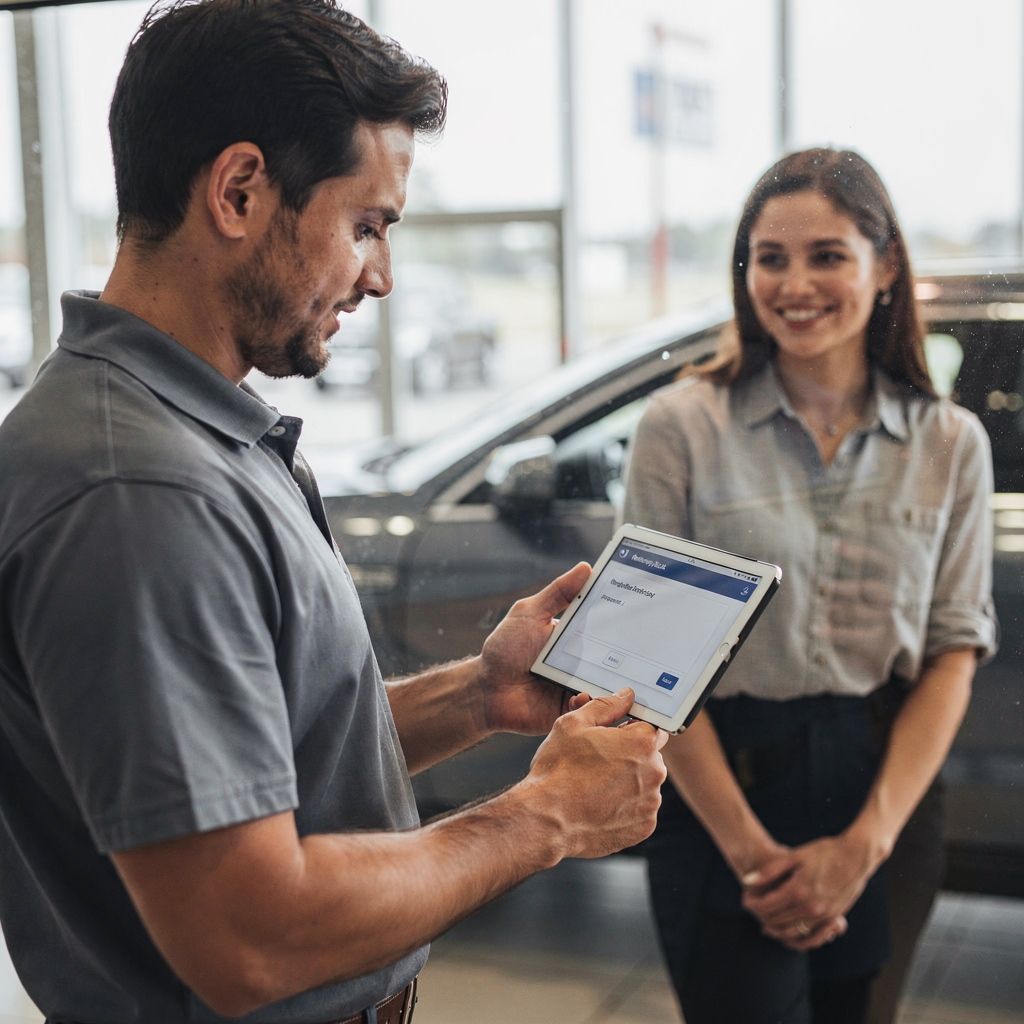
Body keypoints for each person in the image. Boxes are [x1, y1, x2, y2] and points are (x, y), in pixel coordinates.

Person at [0, 2, 669, 1022]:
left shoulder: (183, 432)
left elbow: (257, 769)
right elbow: (249, 932)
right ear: (238, 190)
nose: (382, 277)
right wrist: (548, 818)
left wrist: (479, 693)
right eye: (366, 227)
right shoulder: (137, 493)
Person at [621, 148, 996, 1024]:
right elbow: (647, 664)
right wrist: (754, 855)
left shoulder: (950, 444)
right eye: (770, 257)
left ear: (886, 264)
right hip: (721, 792)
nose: (795, 283)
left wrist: (863, 847)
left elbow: (952, 653)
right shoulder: (682, 427)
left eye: (827, 254)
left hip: (885, 793)